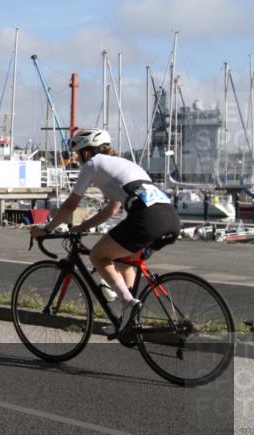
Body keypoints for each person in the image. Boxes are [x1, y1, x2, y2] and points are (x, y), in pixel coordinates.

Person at [30, 128, 181, 335]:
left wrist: (46, 229)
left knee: (98, 256)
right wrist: (82, 227)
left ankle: (128, 303)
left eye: (77, 154)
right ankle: (128, 321)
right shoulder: (124, 165)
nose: (77, 159)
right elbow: (111, 209)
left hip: (146, 217)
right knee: (124, 262)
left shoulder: (93, 164)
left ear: (86, 152)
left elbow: (70, 205)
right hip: (170, 217)